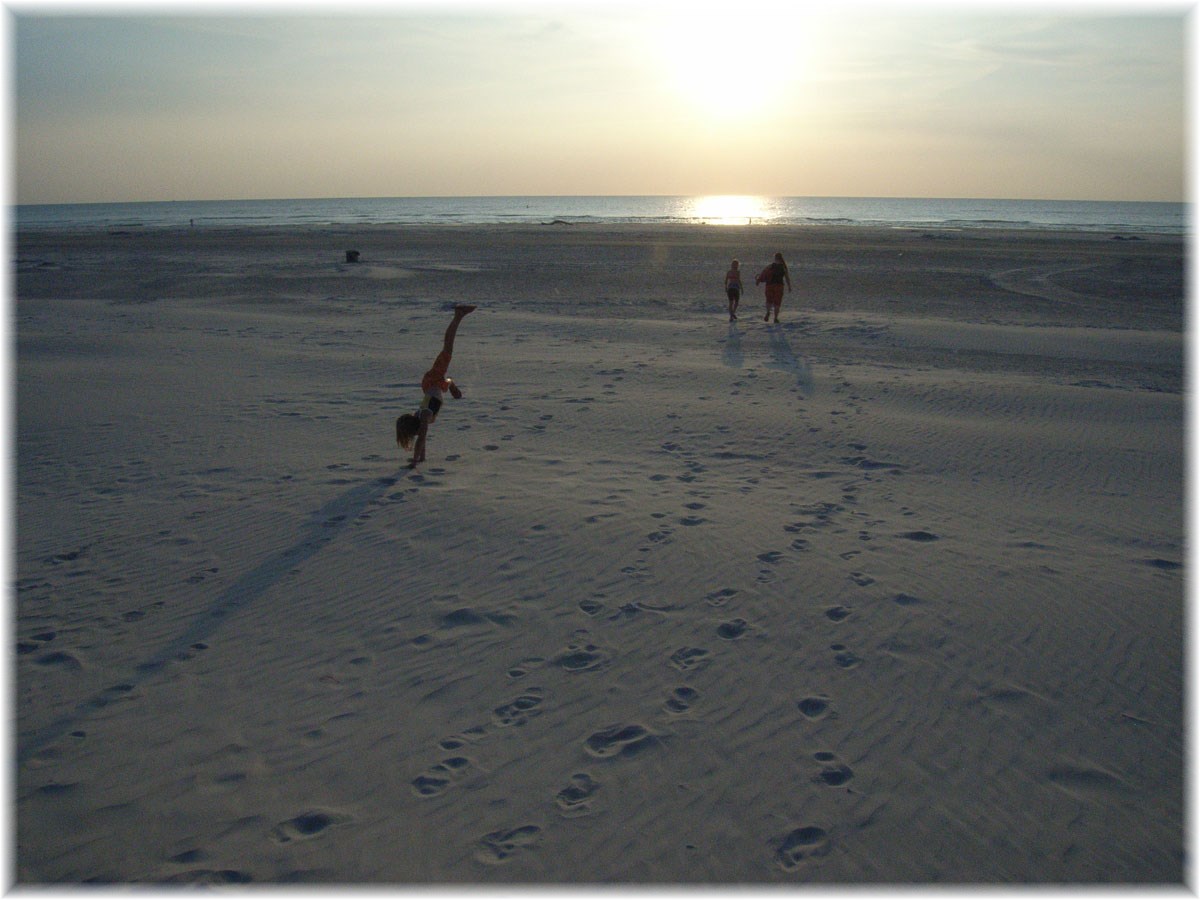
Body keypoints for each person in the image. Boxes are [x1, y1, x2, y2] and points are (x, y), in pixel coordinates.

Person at [396, 305, 476, 467]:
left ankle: (458, 315)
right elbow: (422, 439)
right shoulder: (421, 416)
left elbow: (422, 439)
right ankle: (450, 382)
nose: (417, 435)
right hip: (435, 385)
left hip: (432, 380)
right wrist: (420, 459)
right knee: (447, 353)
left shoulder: (424, 416)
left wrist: (415, 461)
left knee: (448, 348)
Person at [755, 252, 792, 323]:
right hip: (779, 286)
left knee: (769, 300)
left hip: (769, 285)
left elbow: (763, 274)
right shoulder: (783, 267)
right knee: (777, 302)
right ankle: (775, 318)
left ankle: (768, 312)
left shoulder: (770, 266)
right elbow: (787, 278)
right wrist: (789, 286)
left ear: (775, 258)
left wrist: (758, 281)